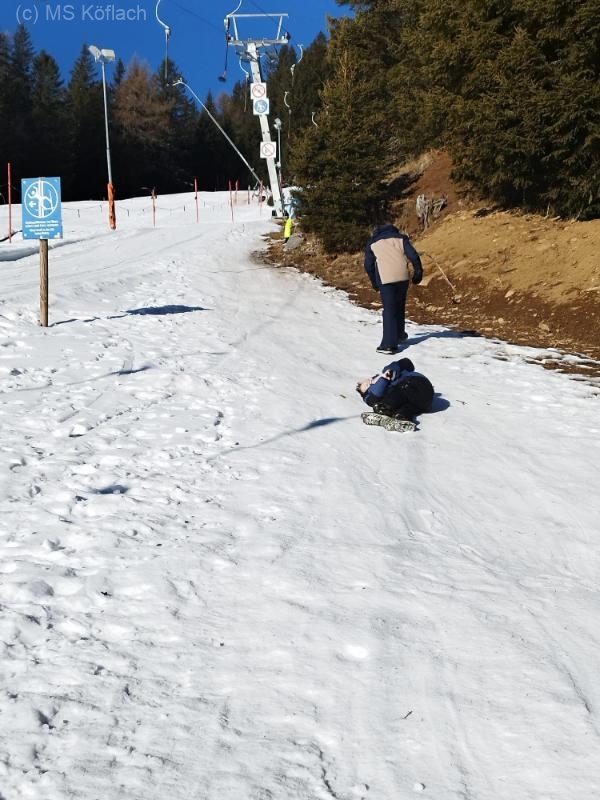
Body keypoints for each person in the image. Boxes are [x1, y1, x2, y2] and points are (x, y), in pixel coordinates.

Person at [364, 222, 423, 354]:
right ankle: (399, 334)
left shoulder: (373, 243)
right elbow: (413, 256)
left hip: (386, 278)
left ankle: (389, 345)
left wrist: (374, 282)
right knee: (399, 305)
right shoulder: (401, 238)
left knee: (389, 309)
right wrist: (418, 273)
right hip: (403, 277)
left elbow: (368, 265)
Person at [356, 357, 434, 421]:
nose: (370, 381)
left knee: (398, 391)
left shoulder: (387, 373)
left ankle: (386, 408)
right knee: (404, 408)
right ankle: (402, 416)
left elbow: (407, 363)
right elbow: (373, 397)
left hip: (417, 383)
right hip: (423, 403)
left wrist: (392, 369)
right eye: (367, 385)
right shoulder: (373, 393)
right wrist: (383, 380)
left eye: (368, 380)